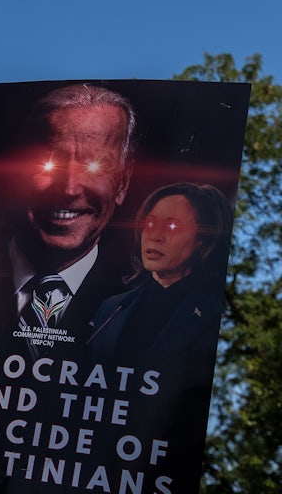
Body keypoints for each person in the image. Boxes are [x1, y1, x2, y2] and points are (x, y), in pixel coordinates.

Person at [86, 182, 234, 493]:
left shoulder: (216, 318)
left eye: (172, 225)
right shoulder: (111, 309)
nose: (154, 235)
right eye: (150, 223)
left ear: (204, 239)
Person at [5, 83, 137, 359]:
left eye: (96, 166)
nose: (69, 189)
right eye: (49, 164)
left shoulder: (144, 305)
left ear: (123, 183)